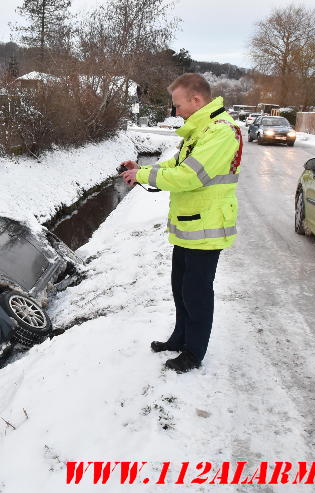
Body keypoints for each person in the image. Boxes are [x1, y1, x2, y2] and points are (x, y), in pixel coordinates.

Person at [119, 73, 242, 373]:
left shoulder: (221, 133)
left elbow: (189, 176)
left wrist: (143, 177)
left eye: (177, 105)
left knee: (197, 294)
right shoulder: (199, 131)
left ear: (196, 100)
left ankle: (194, 352)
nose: (175, 112)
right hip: (189, 226)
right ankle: (180, 337)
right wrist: (143, 169)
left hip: (207, 228)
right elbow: (176, 166)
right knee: (181, 288)